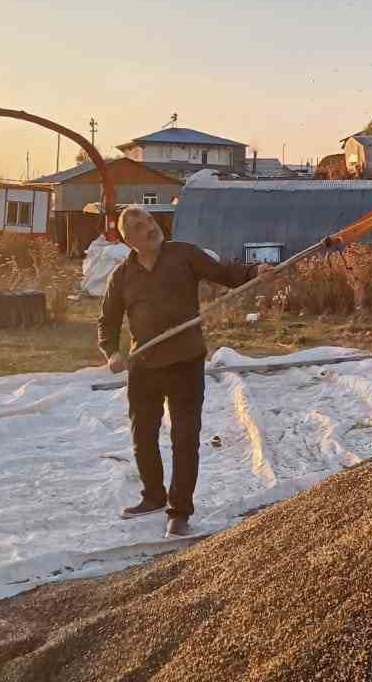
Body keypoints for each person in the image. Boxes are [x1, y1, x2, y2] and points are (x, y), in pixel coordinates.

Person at [98, 206, 267, 538]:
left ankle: (179, 512)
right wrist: (112, 353)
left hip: (185, 363)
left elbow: (224, 273)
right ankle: (153, 496)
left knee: (184, 438)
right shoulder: (121, 276)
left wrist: (254, 272)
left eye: (148, 219)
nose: (149, 226)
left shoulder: (184, 255)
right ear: (128, 240)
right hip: (144, 366)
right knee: (142, 436)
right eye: (138, 225)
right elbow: (107, 322)